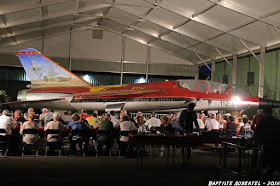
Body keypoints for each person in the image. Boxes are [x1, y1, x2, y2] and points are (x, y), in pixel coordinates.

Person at [254, 107, 280, 178]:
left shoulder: (262, 120)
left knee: (264, 156)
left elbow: (257, 131)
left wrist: (256, 140)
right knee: (274, 156)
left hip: (265, 142)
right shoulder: (277, 121)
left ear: (264, 113)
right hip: (276, 142)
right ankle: (273, 170)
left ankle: (264, 170)